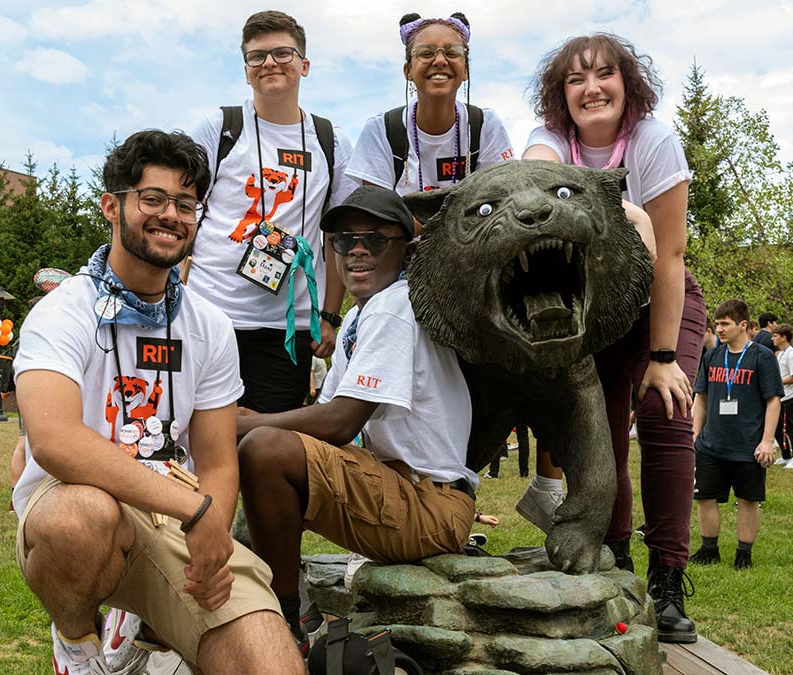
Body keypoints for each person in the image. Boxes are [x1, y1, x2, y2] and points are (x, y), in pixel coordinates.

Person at [11, 130, 303, 675]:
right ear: (111, 206)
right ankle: (77, 642)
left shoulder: (209, 325)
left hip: (176, 519)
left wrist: (210, 528)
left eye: (185, 204)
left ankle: (146, 627)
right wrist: (194, 510)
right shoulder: (62, 311)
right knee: (80, 520)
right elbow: (54, 440)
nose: (170, 214)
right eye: (152, 199)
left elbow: (216, 458)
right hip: (89, 505)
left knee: (271, 664)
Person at [518, 32, 706, 643]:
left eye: (604, 74)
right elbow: (536, 175)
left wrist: (660, 357)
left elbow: (669, 256)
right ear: (562, 94)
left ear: (626, 83)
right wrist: (626, 213)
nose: (591, 87)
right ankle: (615, 559)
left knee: (666, 416)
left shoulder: (652, 140)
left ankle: (669, 578)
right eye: (576, 79)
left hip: (662, 303)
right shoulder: (552, 139)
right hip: (596, 308)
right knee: (598, 431)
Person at [234, 185, 478, 648]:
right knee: (264, 443)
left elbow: (341, 423)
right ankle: (275, 599)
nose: (357, 250)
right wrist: (253, 418)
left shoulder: (395, 306)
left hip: (431, 504)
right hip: (406, 487)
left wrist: (246, 424)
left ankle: (284, 623)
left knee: (264, 449)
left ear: (407, 250)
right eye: (344, 241)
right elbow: (324, 417)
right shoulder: (356, 318)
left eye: (375, 239)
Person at [188, 10, 357, 415]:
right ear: (246, 71)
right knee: (197, 438)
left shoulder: (331, 142)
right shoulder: (220, 128)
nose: (269, 63)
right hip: (211, 314)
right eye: (256, 56)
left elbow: (337, 236)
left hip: (289, 326)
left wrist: (330, 316)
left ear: (304, 64)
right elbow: (184, 214)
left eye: (283, 53)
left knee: (267, 446)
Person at [347, 12, 514, 202]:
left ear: (466, 70)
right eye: (426, 53)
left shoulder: (485, 126)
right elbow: (379, 217)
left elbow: (500, 203)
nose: (440, 61)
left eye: (452, 53)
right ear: (408, 70)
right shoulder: (381, 130)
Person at [688, 299, 781, 571]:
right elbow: (701, 398)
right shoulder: (712, 356)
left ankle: (744, 554)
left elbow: (773, 401)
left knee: (747, 500)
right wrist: (693, 436)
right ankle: (709, 549)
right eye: (717, 324)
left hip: (747, 445)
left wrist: (767, 440)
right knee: (704, 497)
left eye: (725, 324)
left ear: (742, 325)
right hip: (711, 444)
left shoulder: (762, 357)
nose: (719, 329)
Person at [771, 324, 793, 469]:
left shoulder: (792, 354)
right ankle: (785, 455)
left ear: (784, 337)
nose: (773, 339)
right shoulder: (781, 353)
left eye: (775, 336)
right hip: (781, 397)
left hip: (790, 398)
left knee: (791, 429)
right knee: (778, 429)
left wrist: (778, 382)